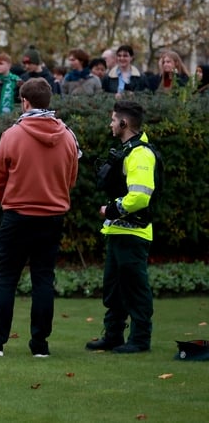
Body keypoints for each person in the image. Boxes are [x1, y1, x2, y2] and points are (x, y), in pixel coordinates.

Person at [0, 78, 79, 357]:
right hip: (53, 215)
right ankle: (40, 343)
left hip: (18, 214)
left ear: (25, 102)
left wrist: (10, 200)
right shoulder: (67, 136)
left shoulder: (13, 135)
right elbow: (71, 178)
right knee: (43, 279)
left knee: (7, 278)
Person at [87, 101, 158, 354]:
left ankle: (140, 339)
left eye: (113, 120)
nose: (110, 124)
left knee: (135, 289)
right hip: (120, 231)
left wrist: (111, 209)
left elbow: (140, 197)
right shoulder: (129, 150)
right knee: (114, 289)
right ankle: (114, 335)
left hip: (134, 232)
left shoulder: (141, 154)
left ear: (124, 123)